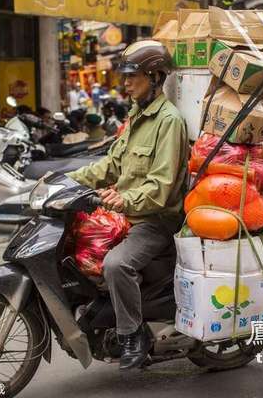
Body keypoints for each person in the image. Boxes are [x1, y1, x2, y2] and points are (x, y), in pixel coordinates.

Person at [67, 40, 189, 371]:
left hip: (154, 220)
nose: (125, 82)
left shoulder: (169, 121)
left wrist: (125, 198)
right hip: (123, 216)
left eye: (132, 75)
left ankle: (134, 335)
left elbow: (161, 186)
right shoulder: (136, 114)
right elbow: (111, 165)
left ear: (154, 75)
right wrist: (68, 180)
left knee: (116, 265)